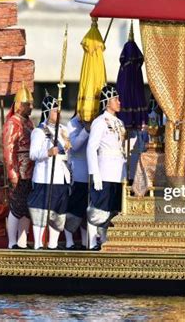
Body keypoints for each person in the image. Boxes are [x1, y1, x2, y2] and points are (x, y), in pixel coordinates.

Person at [28, 92, 71, 250]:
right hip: (45, 178)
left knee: (58, 214)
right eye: (54, 110)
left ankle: (53, 245)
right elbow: (33, 154)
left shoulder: (64, 130)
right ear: (47, 111)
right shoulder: (39, 132)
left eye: (59, 110)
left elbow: (68, 153)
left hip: (61, 177)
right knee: (41, 211)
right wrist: (48, 153)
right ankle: (38, 244)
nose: (58, 113)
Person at [86, 85, 126, 250]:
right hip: (105, 170)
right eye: (116, 99)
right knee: (98, 207)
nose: (119, 102)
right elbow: (91, 148)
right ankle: (92, 241)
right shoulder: (100, 122)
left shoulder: (120, 122)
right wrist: (94, 173)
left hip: (118, 171)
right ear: (107, 101)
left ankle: (105, 240)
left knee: (113, 208)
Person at [3, 84, 35, 249]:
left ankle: (22, 242)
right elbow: (8, 150)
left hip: (31, 171)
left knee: (26, 208)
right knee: (16, 207)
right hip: (19, 170)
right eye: (29, 104)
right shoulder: (12, 123)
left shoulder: (29, 123)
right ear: (21, 105)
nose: (32, 107)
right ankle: (12, 242)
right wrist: (12, 173)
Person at [64, 113, 90, 250]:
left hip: (92, 170)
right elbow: (75, 145)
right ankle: (69, 240)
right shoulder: (72, 123)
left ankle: (86, 241)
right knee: (75, 208)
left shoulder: (96, 121)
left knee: (87, 209)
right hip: (78, 170)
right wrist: (86, 130)